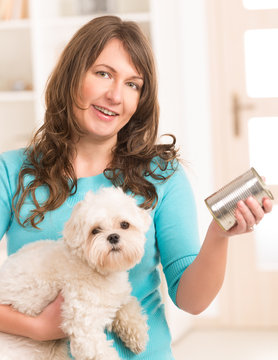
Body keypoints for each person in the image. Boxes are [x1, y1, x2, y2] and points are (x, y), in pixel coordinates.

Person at [0, 15, 272, 359]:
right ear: (71, 76)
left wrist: (220, 236)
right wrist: (40, 328)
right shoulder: (13, 172)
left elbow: (192, 300)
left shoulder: (162, 176)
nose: (115, 95)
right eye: (103, 74)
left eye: (133, 84)